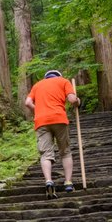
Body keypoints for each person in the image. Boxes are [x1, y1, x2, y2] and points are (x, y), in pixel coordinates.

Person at [24, 69, 80, 197]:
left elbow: (27, 103)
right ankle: (68, 182)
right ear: (59, 76)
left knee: (45, 154)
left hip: (41, 121)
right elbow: (72, 100)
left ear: (46, 77)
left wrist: (37, 110)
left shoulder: (37, 85)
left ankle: (49, 181)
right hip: (59, 118)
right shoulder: (64, 81)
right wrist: (78, 101)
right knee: (65, 152)